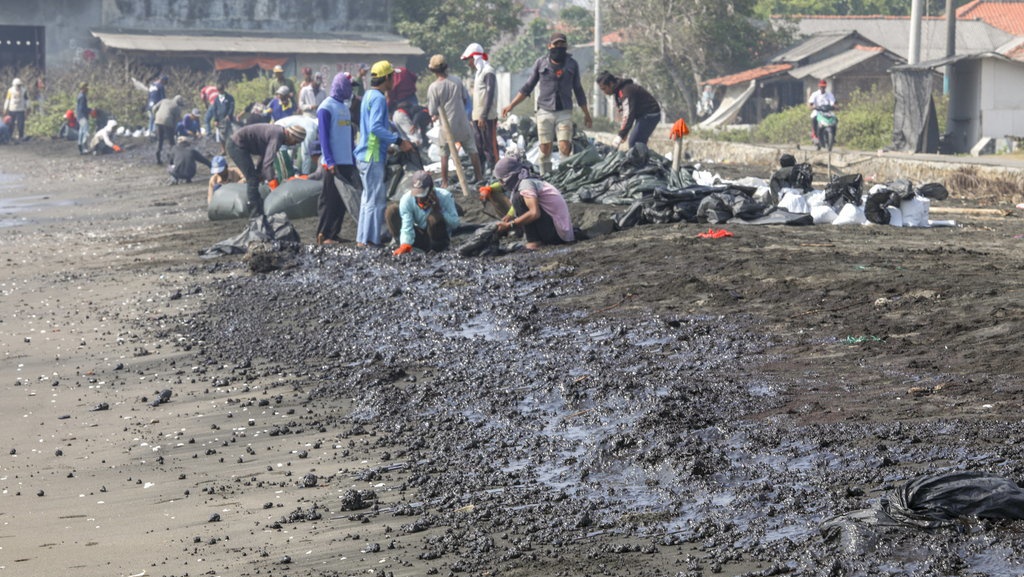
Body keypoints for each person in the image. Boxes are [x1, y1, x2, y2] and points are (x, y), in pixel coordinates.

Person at [501, 32, 592, 175]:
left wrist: (586, 114)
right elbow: (528, 87)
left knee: (564, 145)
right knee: (545, 147)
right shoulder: (541, 63)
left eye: (562, 44)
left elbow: (578, 90)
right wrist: (511, 105)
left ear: (566, 46)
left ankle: (563, 176)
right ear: (549, 46)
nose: (559, 47)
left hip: (564, 111)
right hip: (544, 110)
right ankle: (546, 176)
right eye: (556, 44)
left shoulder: (572, 64)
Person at [354, 60, 414, 247]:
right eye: (392, 77)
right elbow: (376, 127)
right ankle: (371, 240)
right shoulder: (379, 98)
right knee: (376, 200)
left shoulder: (368, 95)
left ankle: (362, 239)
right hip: (372, 155)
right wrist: (398, 141)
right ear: (386, 78)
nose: (393, 80)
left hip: (365, 152)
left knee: (367, 199)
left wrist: (386, 145)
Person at [226, 122, 307, 218]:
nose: (294, 144)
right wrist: (273, 185)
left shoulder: (278, 133)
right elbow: (268, 164)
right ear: (291, 135)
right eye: (295, 141)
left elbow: (265, 156)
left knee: (257, 176)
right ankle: (254, 211)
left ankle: (258, 205)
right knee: (252, 179)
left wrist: (261, 172)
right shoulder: (278, 136)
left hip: (242, 145)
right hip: (236, 145)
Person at [491, 156, 574, 249]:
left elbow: (534, 213)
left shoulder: (525, 184)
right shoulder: (526, 180)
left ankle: (534, 242)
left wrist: (510, 225)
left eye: (501, 180)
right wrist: (509, 217)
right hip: (562, 232)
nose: (501, 183)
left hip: (558, 235)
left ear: (510, 177)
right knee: (518, 199)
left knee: (517, 198)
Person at [426, 54, 483, 188]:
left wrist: (435, 115)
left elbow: (433, 111)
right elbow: (464, 99)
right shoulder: (456, 80)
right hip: (462, 122)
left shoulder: (434, 87)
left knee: (444, 154)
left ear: (433, 71)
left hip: (446, 127)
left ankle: (445, 182)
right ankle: (479, 177)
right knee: (472, 150)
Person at [315, 72, 358, 245]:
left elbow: (348, 137)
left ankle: (334, 233)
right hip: (333, 163)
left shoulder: (344, 107)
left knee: (342, 200)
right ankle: (323, 234)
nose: (350, 91)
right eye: (349, 86)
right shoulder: (326, 107)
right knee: (329, 199)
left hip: (346, 160)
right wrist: (330, 160)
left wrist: (353, 158)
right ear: (341, 86)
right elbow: (323, 137)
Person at [387, 170, 460, 255]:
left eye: (422, 195)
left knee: (434, 218)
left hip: (438, 238)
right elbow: (407, 225)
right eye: (417, 195)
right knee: (391, 211)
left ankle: (436, 250)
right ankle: (404, 245)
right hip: (420, 236)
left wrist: (440, 210)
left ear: (430, 189)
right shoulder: (407, 200)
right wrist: (405, 243)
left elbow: (455, 224)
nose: (419, 199)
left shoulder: (444, 196)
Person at [596, 71, 662, 149]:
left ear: (611, 84)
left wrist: (620, 135)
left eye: (604, 89)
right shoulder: (618, 92)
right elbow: (625, 113)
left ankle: (642, 160)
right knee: (637, 143)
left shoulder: (625, 91)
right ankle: (642, 159)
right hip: (642, 116)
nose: (604, 92)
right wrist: (624, 132)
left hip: (650, 115)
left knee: (635, 142)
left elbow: (628, 114)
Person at [461, 42, 500, 172]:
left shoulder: (488, 71)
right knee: (479, 144)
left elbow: (490, 94)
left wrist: (483, 115)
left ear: (475, 57)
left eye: (469, 60)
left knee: (490, 145)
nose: (469, 63)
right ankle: (481, 172)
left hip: (487, 116)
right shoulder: (478, 73)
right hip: (477, 116)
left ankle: (494, 171)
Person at [153, 94, 185, 165]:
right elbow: (177, 121)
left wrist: (156, 116)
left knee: (160, 140)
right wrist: (174, 131)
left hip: (157, 121)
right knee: (171, 142)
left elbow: (154, 108)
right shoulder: (176, 107)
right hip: (168, 123)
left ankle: (158, 157)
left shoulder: (164, 101)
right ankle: (171, 158)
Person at [75, 82, 91, 155]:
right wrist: (90, 110)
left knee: (81, 131)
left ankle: (80, 146)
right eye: (86, 87)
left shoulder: (79, 96)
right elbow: (82, 108)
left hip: (79, 116)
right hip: (83, 117)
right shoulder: (82, 97)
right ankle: (84, 148)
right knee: (85, 131)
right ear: (83, 88)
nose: (88, 89)